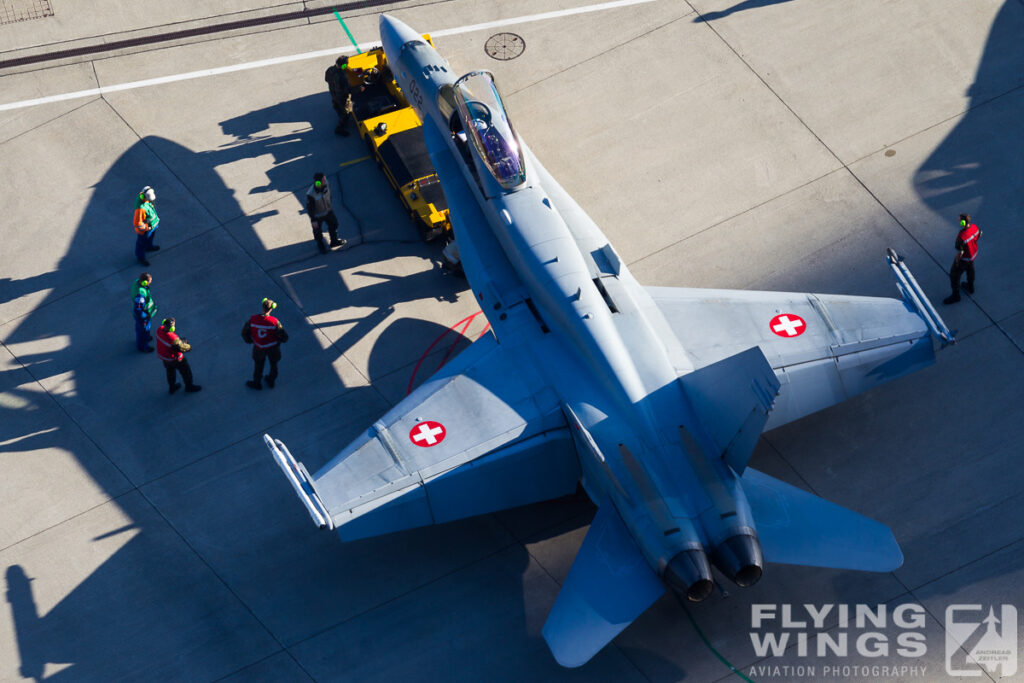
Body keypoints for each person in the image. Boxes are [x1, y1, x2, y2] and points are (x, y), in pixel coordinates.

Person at [241, 297, 289, 390]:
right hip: (273, 348)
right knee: (274, 365)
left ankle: (257, 383)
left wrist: (250, 340)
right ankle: (271, 380)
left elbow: (244, 333)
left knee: (258, 365)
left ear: (262, 307)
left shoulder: (253, 319)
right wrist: (279, 341)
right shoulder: (275, 322)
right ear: (272, 309)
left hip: (258, 348)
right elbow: (284, 337)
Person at [155, 318, 202, 394]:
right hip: (175, 359)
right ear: (171, 328)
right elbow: (182, 348)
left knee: (170, 372)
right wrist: (188, 345)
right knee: (186, 372)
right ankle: (189, 386)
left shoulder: (159, 330)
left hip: (164, 358)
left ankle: (172, 387)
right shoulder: (173, 339)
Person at [944, 213, 982, 304]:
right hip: (972, 255)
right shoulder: (974, 227)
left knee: (954, 275)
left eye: (960, 220)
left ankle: (955, 295)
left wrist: (957, 259)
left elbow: (960, 250)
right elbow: (979, 234)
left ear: (963, 222)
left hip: (964, 258)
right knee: (970, 270)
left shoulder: (961, 236)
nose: (958, 221)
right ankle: (970, 286)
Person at [306, 172, 346, 254]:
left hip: (328, 212)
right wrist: (313, 220)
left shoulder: (326, 184)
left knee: (334, 225)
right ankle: (321, 245)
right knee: (317, 232)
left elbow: (329, 196)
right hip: (317, 216)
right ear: (318, 183)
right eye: (323, 180)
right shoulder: (311, 194)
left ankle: (334, 241)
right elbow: (310, 208)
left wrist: (329, 206)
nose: (325, 181)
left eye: (325, 179)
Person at [133, 186, 161, 266]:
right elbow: (137, 223)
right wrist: (146, 228)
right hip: (145, 230)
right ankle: (141, 257)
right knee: (141, 243)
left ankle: (149, 247)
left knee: (150, 238)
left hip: (152, 226)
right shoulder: (140, 208)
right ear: (144, 196)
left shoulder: (146, 199)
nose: (151, 201)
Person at [325, 56, 353, 136]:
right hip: (342, 97)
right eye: (346, 65)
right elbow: (348, 90)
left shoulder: (329, 69)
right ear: (343, 66)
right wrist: (360, 88)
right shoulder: (343, 77)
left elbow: (326, 79)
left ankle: (340, 113)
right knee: (347, 111)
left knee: (336, 105)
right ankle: (340, 128)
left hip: (334, 93)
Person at [132, 272, 157, 352]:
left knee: (143, 329)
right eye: (149, 282)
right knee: (142, 331)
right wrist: (145, 316)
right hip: (143, 316)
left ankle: (146, 337)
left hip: (144, 315)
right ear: (144, 282)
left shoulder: (137, 282)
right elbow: (138, 309)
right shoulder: (141, 294)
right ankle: (143, 346)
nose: (150, 283)